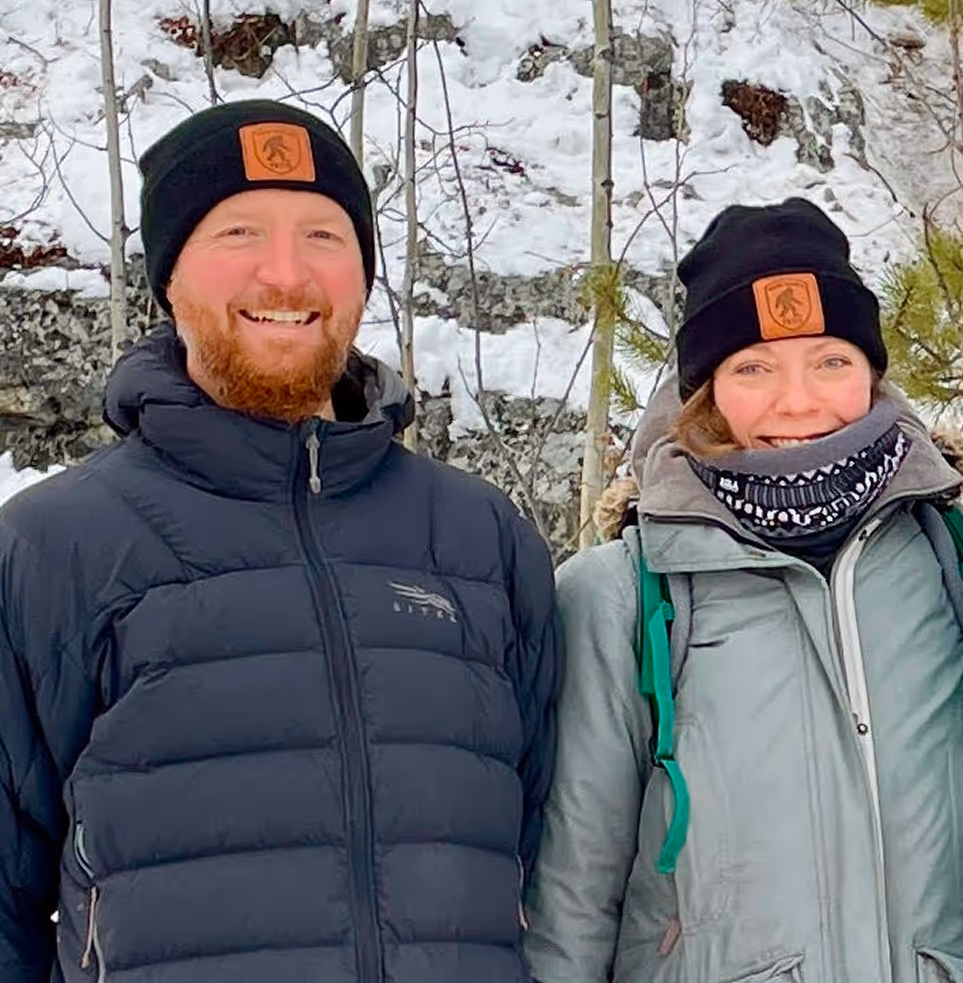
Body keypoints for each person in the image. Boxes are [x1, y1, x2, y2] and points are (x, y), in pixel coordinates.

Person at [0, 100, 559, 982]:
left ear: (365, 277)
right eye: (240, 232)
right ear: (170, 277)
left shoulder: (481, 540)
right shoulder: (54, 547)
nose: (286, 274)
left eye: (324, 237)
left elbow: (536, 858)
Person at [524, 198, 963, 983]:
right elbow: (573, 896)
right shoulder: (624, 597)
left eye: (832, 361)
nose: (799, 400)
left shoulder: (962, 558)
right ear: (704, 393)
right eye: (755, 367)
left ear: (872, 374)